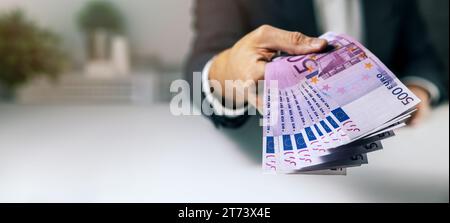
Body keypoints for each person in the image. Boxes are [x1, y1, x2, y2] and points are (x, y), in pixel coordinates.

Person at [185, 0, 445, 128]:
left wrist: (417, 90)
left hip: (391, 148)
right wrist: (225, 72)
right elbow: (204, 59)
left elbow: (422, 56)